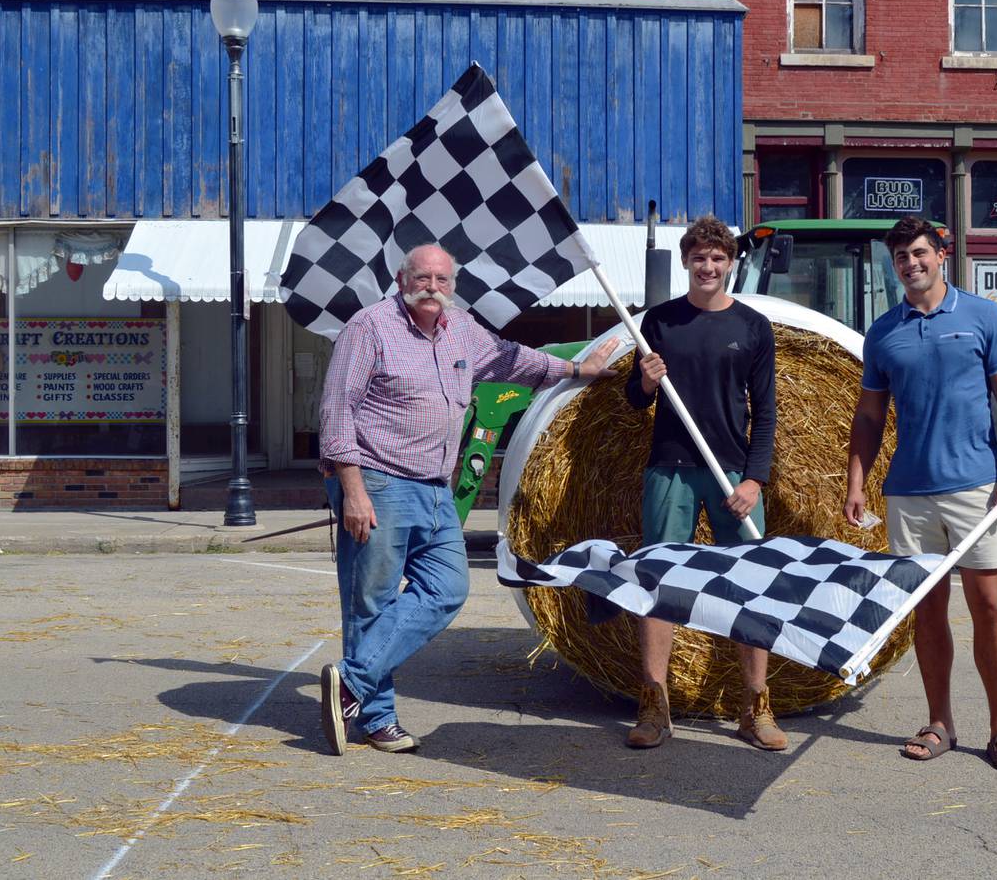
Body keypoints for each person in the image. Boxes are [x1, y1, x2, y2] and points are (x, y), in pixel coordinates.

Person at [318, 243, 617, 757]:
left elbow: (513, 359)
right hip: (379, 482)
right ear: (400, 278)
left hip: (435, 486)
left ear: (452, 285)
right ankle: (376, 718)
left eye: (442, 279)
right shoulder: (369, 328)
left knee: (449, 589)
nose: (432, 286)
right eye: (423, 277)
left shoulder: (461, 330)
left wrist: (577, 370)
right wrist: (352, 490)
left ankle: (351, 680)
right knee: (373, 603)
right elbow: (337, 411)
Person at [842, 217, 997, 772]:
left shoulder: (983, 316)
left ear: (942, 255)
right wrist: (857, 481)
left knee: (989, 607)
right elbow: (870, 415)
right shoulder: (883, 333)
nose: (911, 264)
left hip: (978, 488)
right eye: (901, 257)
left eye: (920, 253)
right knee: (928, 612)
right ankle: (940, 722)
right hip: (908, 493)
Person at [622, 214, 784, 751]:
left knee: (749, 584)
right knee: (658, 582)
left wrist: (755, 480)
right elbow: (634, 399)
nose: (708, 266)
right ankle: (654, 703)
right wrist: (644, 382)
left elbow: (767, 411)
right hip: (669, 467)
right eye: (699, 257)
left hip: (732, 472)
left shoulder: (753, 326)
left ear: (730, 264)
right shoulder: (660, 320)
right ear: (687, 261)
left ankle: (756, 706)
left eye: (718, 258)